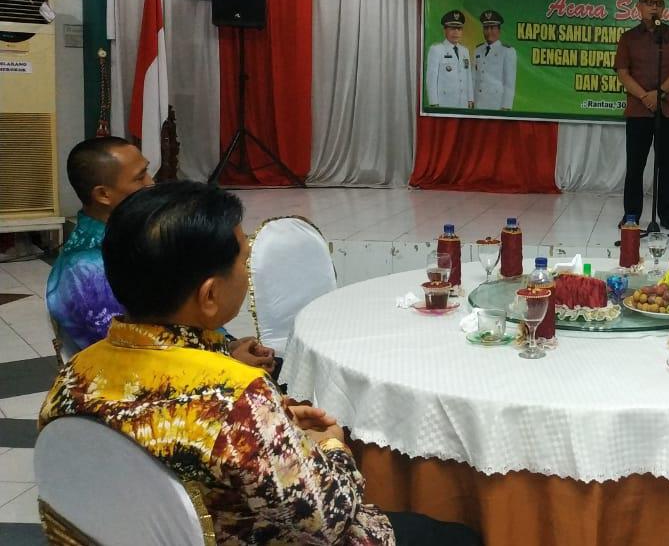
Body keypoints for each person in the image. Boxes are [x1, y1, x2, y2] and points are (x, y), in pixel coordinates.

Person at [39, 181, 481, 546]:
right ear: (210, 296)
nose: (247, 271)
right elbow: (326, 521)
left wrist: (277, 427)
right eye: (244, 261)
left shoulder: (74, 374)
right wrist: (331, 446)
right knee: (455, 536)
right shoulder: (236, 397)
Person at [46, 136, 274, 370]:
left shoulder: (142, 236)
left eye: (148, 172)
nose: (151, 183)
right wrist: (229, 362)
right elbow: (131, 355)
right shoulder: (85, 269)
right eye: (139, 178)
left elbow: (187, 313)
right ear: (103, 194)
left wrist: (228, 346)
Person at [614, 0, 669, 230]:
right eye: (648, 2)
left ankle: (667, 216)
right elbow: (623, 73)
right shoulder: (628, 38)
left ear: (664, 7)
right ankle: (631, 215)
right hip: (638, 111)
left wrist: (660, 93)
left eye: (658, 3)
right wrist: (644, 96)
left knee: (667, 166)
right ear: (639, 7)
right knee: (635, 166)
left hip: (668, 110)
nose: (653, 7)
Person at [425, 9, 473, 109]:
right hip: (444, 103)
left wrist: (470, 99)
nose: (456, 32)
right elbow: (431, 79)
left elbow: (468, 77)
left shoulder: (465, 51)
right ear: (445, 30)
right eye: (452, 28)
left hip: (463, 102)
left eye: (459, 29)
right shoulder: (436, 49)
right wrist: (434, 103)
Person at [472, 9, 517, 110]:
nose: (489, 32)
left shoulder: (507, 51)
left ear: (499, 30)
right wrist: (471, 100)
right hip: (478, 103)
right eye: (486, 28)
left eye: (492, 28)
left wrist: (506, 106)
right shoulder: (478, 50)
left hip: (496, 105)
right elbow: (473, 78)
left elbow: (509, 83)